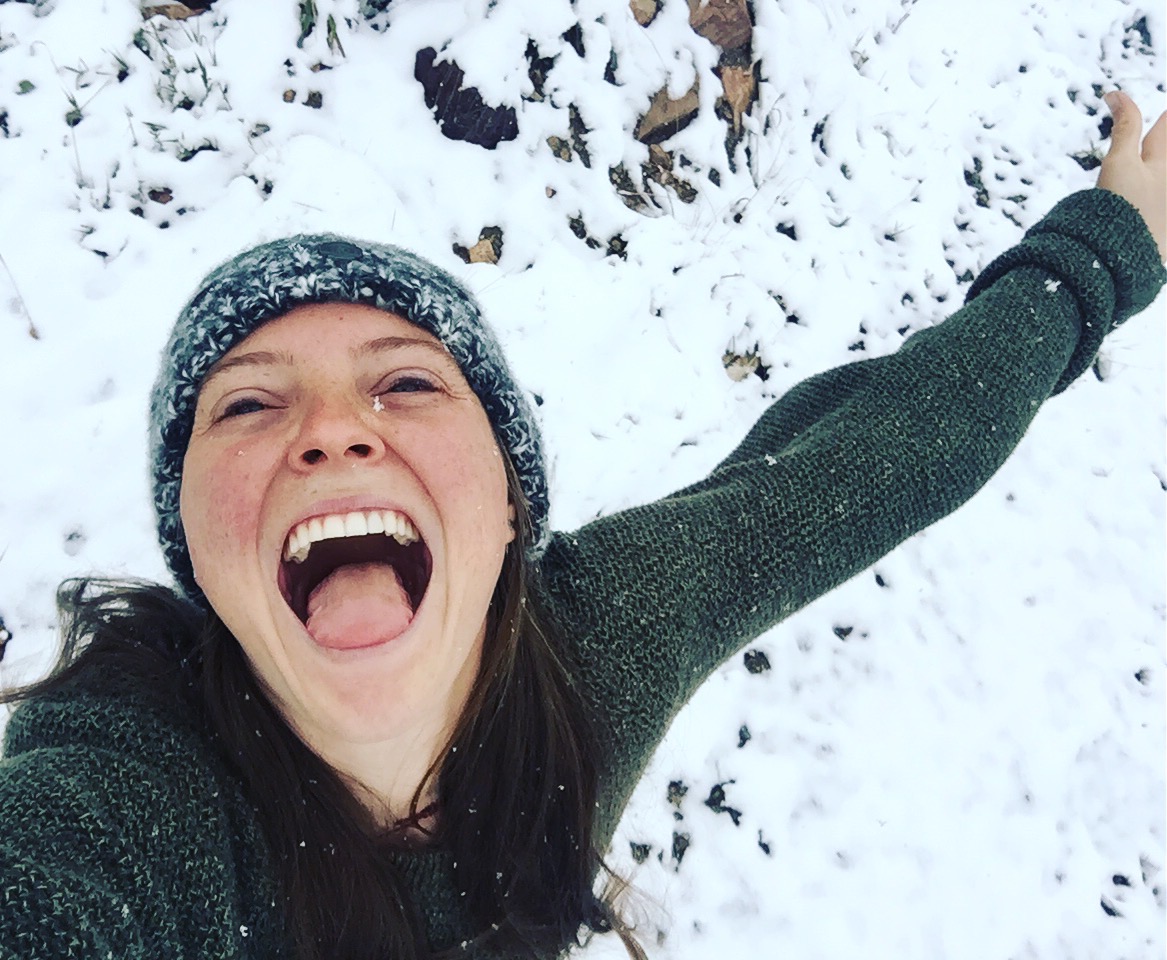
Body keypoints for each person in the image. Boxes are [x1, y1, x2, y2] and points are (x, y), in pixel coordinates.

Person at [0, 90, 1163, 960]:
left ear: (512, 505)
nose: (334, 431)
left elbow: (879, 456)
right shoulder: (123, 804)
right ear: (195, 546)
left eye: (406, 382)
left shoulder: (603, 639)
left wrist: (1097, 254)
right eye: (249, 404)